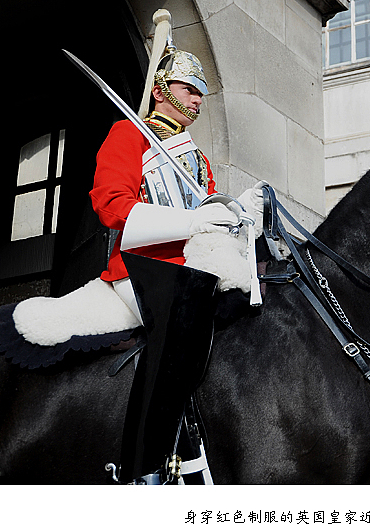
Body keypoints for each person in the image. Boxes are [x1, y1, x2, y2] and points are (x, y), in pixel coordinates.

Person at [90, 39, 263, 484]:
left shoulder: (198, 160)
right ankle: (144, 468)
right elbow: (112, 206)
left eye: (201, 91)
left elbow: (213, 218)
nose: (198, 98)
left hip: (193, 268)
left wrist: (240, 212)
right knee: (181, 313)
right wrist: (193, 220)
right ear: (161, 89)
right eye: (190, 88)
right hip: (140, 267)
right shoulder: (128, 134)